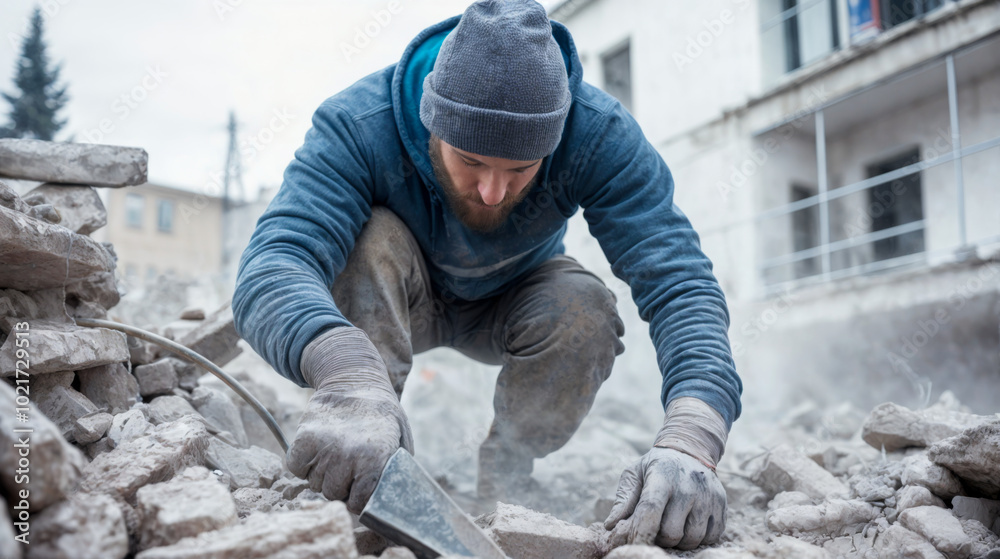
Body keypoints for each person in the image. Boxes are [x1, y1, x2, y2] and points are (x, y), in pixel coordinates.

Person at [233, 0, 742, 550]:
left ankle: (506, 471)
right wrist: (345, 373)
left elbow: (679, 282)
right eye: (471, 162)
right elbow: (274, 264)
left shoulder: (597, 136)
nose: (494, 192)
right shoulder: (359, 125)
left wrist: (693, 435)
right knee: (370, 239)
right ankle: (371, 446)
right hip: (394, 298)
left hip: (511, 300)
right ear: (432, 122)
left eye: (521, 170)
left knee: (583, 306)